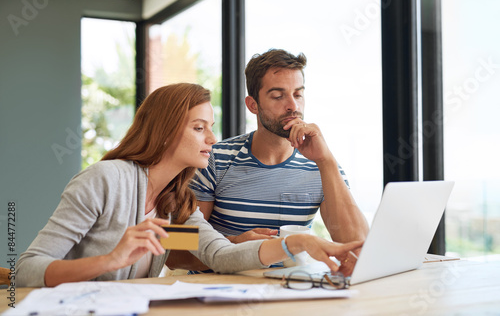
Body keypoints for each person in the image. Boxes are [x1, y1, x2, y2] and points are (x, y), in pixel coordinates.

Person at [16, 83, 363, 287]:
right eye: (199, 128)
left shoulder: (176, 202)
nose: (212, 138)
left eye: (211, 127)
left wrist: (299, 242)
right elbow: (27, 269)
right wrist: (111, 259)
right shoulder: (103, 181)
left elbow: (219, 255)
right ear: (165, 132)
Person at [167, 49, 369, 273]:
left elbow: (358, 249)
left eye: (298, 94)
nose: (293, 106)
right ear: (253, 105)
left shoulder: (322, 165)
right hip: (221, 296)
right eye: (278, 96)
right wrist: (234, 244)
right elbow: (173, 253)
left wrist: (326, 160)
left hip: (290, 293)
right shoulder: (213, 160)